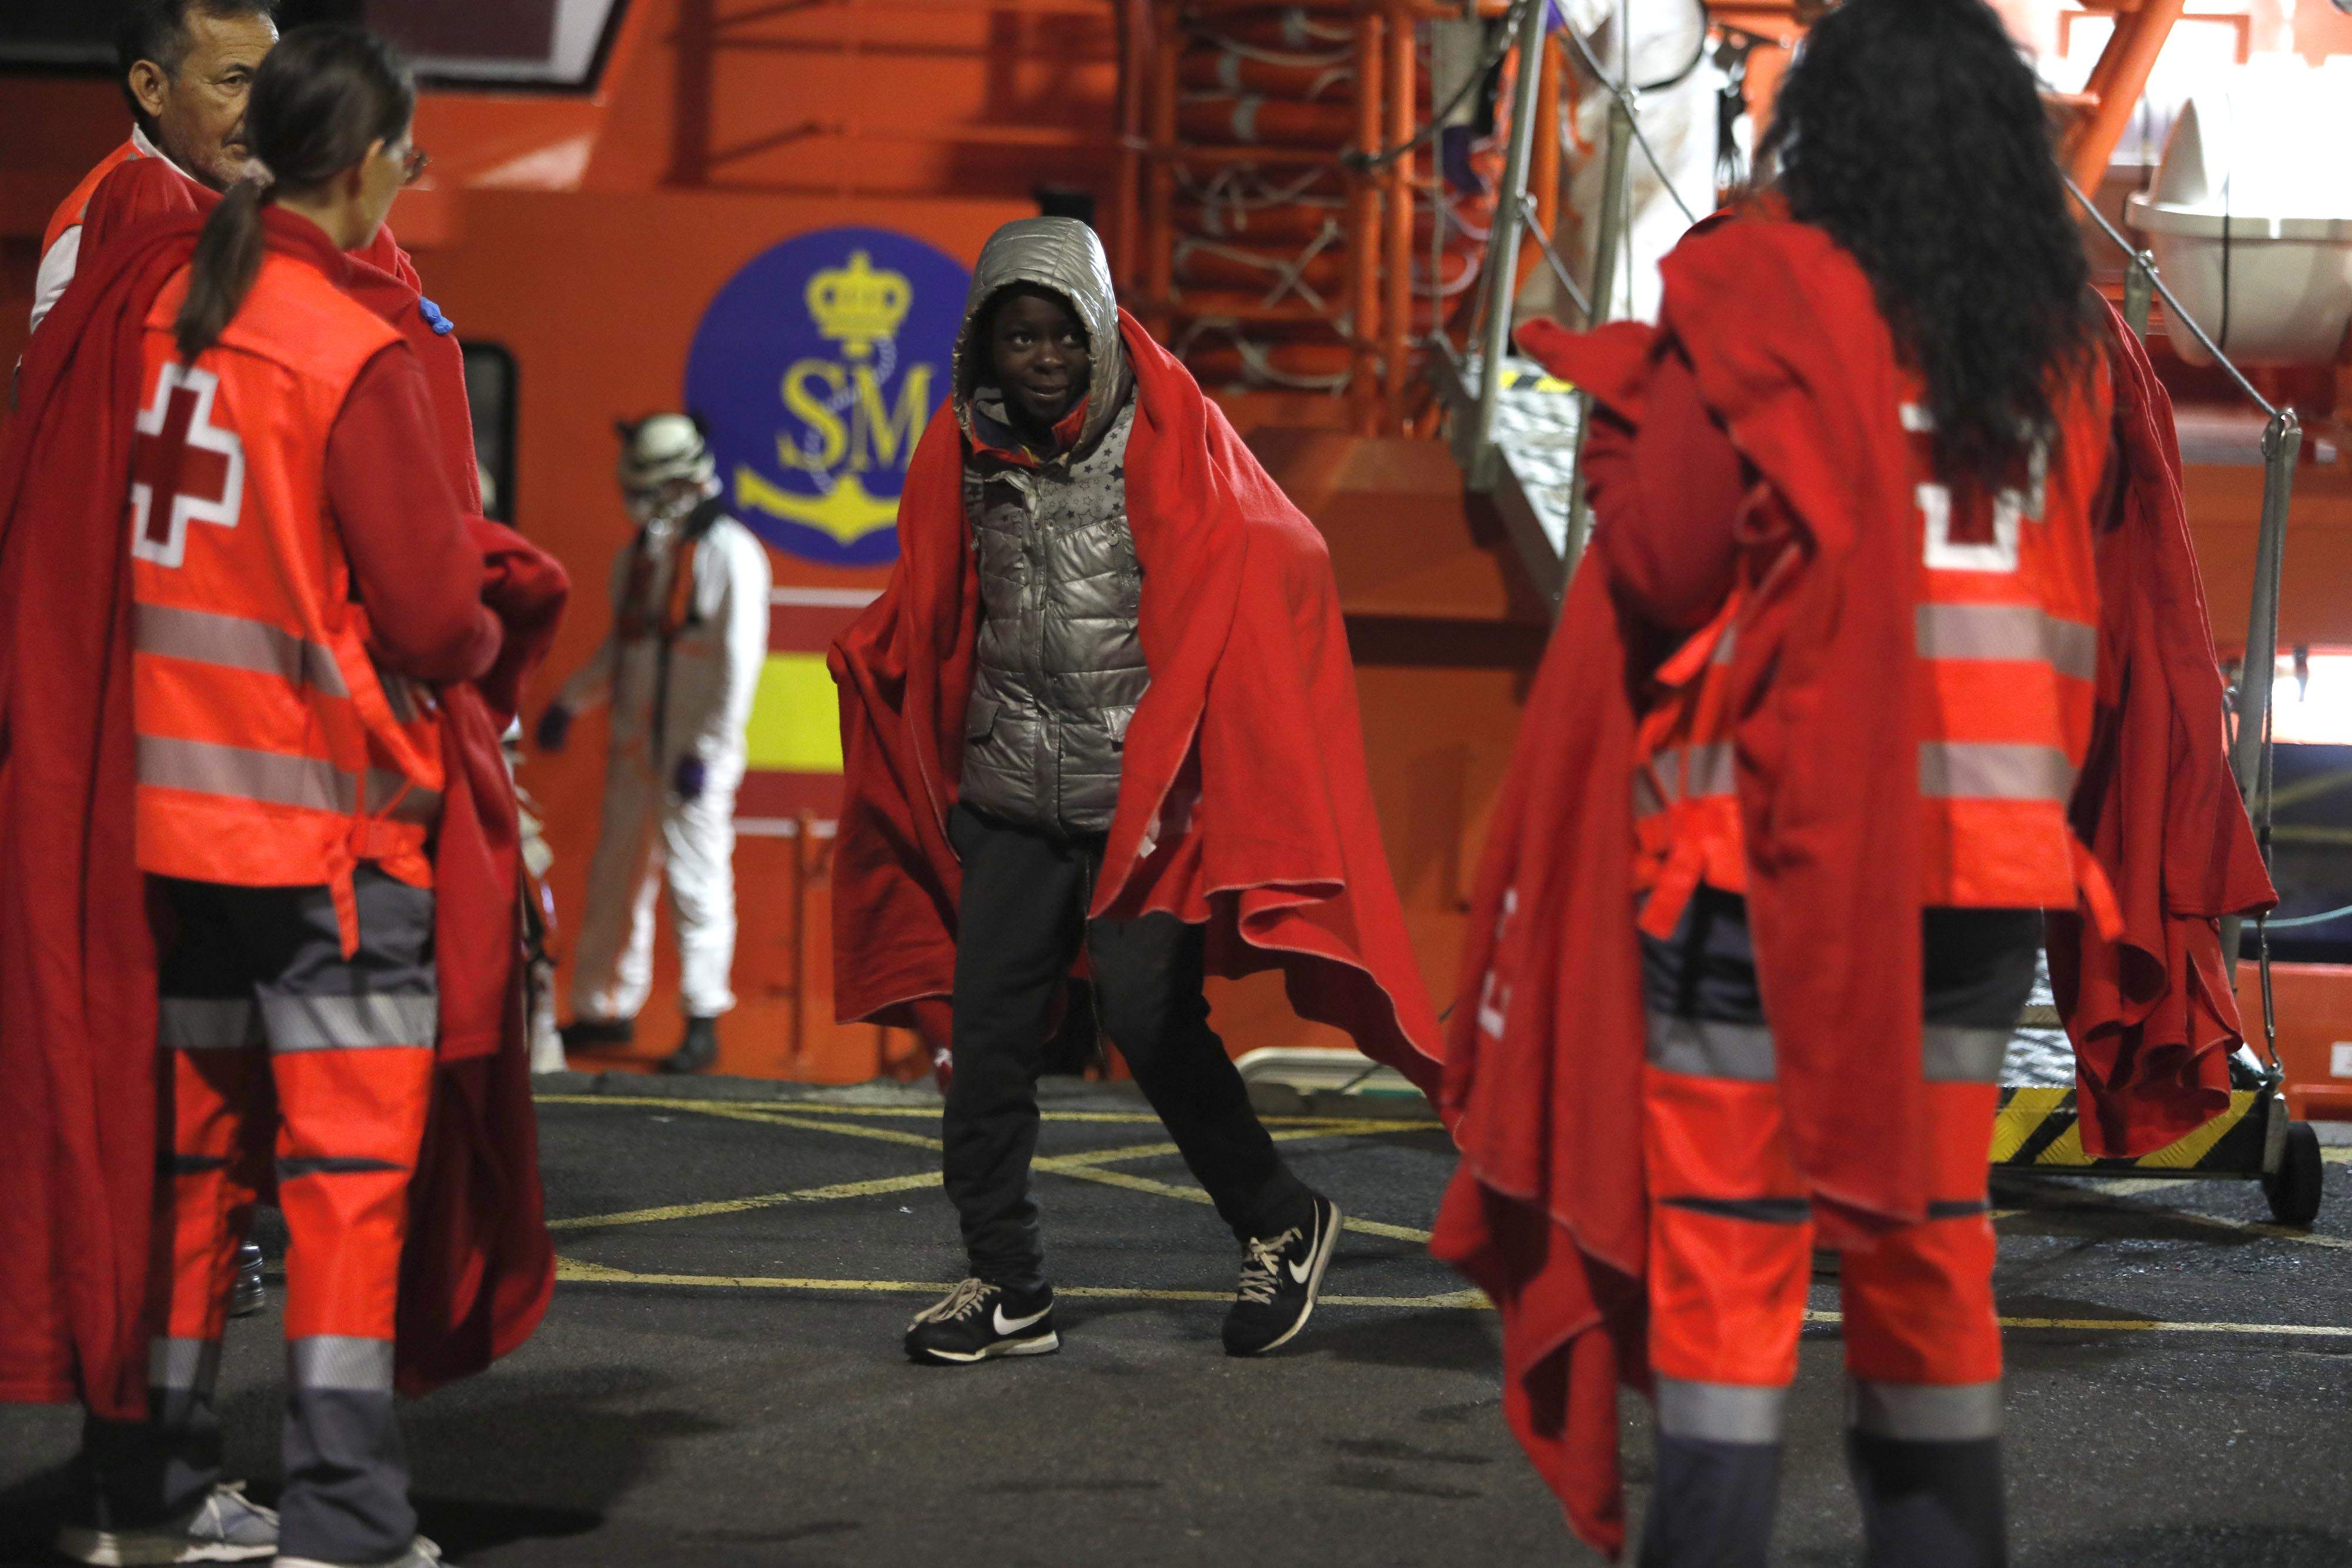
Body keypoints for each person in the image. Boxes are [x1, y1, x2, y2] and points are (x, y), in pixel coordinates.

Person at [1431, 1, 2268, 1564]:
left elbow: (1671, 561)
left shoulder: (1763, 300)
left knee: (1733, 1264)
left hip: (1769, 850)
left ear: (1830, 133)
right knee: (1923, 1247)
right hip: (1985, 880)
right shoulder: (2070, 349)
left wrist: (1622, 438)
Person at [0, 26, 567, 1568]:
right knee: (339, 1194)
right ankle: (344, 1518)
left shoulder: (155, 310)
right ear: (367, 159)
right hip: (322, 841)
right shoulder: (345, 345)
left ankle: (142, 1502)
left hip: (165, 843)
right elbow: (436, 613)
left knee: (182, 1182)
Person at [830, 217, 1442, 1366]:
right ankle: (1009, 1284)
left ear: (1102, 331)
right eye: (1019, 336)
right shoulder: (963, 449)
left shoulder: (1169, 438)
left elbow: (1280, 552)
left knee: (1152, 1021)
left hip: (1140, 808)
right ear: (983, 346)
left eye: (1063, 334)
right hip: (1013, 795)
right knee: (987, 1041)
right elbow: (930, 605)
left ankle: (1279, 1217)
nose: (1043, 357)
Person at [535, 416, 771, 1074]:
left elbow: (738, 666)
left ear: (678, 481)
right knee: (616, 877)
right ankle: (603, 1008)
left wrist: (709, 748)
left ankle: (702, 1017)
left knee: (697, 881)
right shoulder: (642, 556)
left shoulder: (730, 555)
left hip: (692, 753)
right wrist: (570, 703)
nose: (636, 503)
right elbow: (625, 648)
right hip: (637, 747)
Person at [32, 0, 278, 335]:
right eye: (234, 81)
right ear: (151, 88)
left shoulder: (289, 188)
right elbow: (48, 382)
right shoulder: (93, 229)